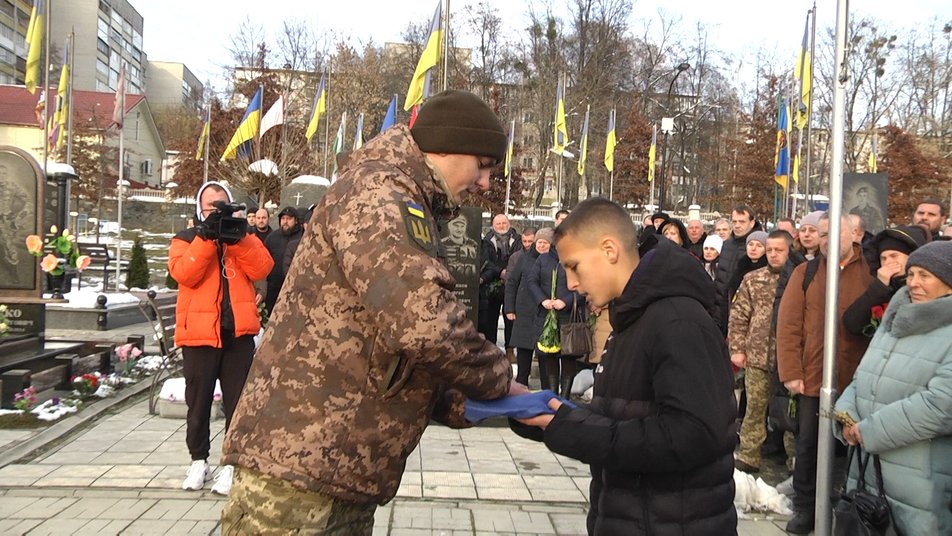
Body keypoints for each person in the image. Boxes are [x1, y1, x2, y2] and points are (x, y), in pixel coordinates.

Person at [219, 90, 516, 534]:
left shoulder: (395, 193)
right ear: (449, 146)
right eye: (484, 164)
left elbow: (386, 345)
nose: (485, 183)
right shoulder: (379, 192)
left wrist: (467, 401)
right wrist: (499, 378)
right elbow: (423, 323)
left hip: (329, 464)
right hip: (301, 466)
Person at [515, 198, 737, 535]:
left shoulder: (678, 321)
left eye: (574, 267)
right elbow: (624, 415)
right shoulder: (632, 317)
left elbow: (694, 435)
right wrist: (551, 418)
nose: (571, 283)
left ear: (609, 250)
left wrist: (577, 432)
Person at [834, 240, 952, 535]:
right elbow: (863, 376)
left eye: (925, 275)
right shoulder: (895, 319)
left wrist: (868, 431)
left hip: (920, 480)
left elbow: (941, 405)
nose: (914, 283)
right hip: (867, 470)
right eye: (911, 274)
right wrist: (846, 415)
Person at [168, 181, 274, 495]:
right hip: (199, 335)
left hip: (237, 334)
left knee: (238, 403)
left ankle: (231, 463)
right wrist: (205, 237)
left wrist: (237, 239)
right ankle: (198, 460)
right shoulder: (186, 238)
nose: (214, 211)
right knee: (198, 402)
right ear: (199, 209)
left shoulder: (242, 236)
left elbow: (262, 268)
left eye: (220, 205)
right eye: (209, 206)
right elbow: (184, 274)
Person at [776, 213, 873, 534]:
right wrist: (791, 371)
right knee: (809, 446)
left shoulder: (870, 271)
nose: (826, 240)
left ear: (853, 235)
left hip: (856, 379)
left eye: (833, 233)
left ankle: (847, 505)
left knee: (851, 447)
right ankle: (806, 507)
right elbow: (788, 324)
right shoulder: (806, 273)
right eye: (822, 235)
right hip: (813, 379)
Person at [728, 230, 791, 474]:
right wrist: (737, 348)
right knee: (754, 408)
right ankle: (749, 455)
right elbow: (739, 315)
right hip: (757, 355)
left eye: (779, 250)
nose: (773, 254)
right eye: (770, 250)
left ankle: (794, 459)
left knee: (789, 412)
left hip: (788, 358)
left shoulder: (798, 278)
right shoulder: (753, 279)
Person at [842, 224, 930, 337]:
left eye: (894, 256)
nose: (888, 262)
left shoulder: (926, 284)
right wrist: (880, 286)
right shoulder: (880, 287)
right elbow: (852, 323)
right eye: (883, 258)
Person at [527, 227, 584, 397]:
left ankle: (564, 396)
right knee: (549, 356)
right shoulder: (544, 259)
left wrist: (565, 301)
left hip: (568, 317)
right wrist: (543, 300)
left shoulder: (577, 260)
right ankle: (552, 394)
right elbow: (532, 281)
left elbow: (584, 286)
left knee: (568, 357)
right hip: (546, 316)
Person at [713, 205, 762, 334]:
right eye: (734, 221)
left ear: (752, 222)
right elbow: (720, 279)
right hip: (721, 311)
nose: (737, 225)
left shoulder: (759, 246)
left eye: (742, 222)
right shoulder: (726, 245)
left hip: (745, 315)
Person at [479, 213, 521, 345]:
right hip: (493, 282)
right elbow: (486, 261)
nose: (501, 226)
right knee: (491, 318)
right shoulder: (487, 241)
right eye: (498, 223)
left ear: (509, 224)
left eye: (504, 223)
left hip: (512, 283)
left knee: (511, 317)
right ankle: (492, 346)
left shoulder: (518, 240)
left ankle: (510, 348)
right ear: (493, 226)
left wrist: (508, 273)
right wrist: (500, 272)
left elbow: (518, 259)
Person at [504, 226, 540, 384]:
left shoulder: (553, 258)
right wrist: (509, 308)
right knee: (524, 351)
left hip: (543, 310)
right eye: (525, 241)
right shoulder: (521, 258)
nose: (528, 245)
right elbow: (511, 283)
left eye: (531, 241)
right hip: (524, 309)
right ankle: (522, 384)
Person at [262, 206, 303, 315]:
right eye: (283, 218)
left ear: (296, 220)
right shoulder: (272, 237)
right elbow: (263, 259)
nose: (285, 222)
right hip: (273, 286)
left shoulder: (302, 237)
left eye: (289, 219)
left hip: (294, 286)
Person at [441, 213, 479, 280]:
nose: (459, 229)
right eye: (456, 226)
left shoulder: (473, 244)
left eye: (462, 226)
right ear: (449, 226)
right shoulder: (442, 243)